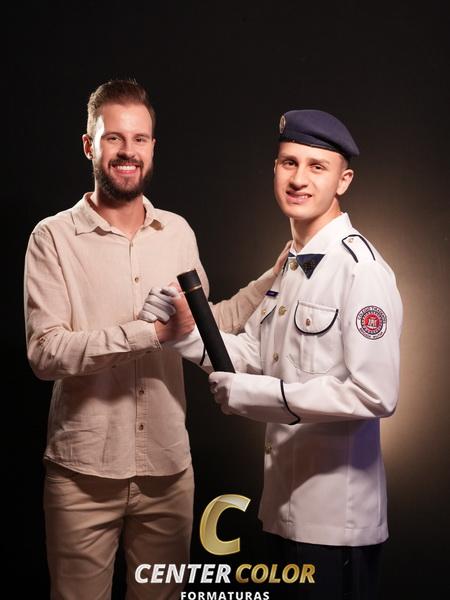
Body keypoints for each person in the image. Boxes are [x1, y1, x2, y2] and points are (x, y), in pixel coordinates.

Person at [23, 79, 290, 600]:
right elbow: (45, 352)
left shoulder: (178, 233)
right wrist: (149, 334)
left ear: (152, 146)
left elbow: (206, 327)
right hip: (83, 478)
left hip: (168, 475)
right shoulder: (51, 238)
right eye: (114, 138)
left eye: (140, 139)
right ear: (90, 145)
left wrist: (273, 277)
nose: (128, 151)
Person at [149, 109, 403, 599]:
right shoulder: (291, 263)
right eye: (289, 163)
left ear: (343, 181)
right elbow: (254, 353)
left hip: (335, 526)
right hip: (281, 511)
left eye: (316, 166)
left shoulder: (361, 270)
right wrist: (183, 335)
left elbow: (376, 394)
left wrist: (261, 396)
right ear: (275, 168)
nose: (299, 179)